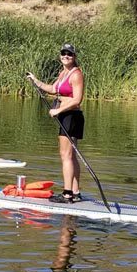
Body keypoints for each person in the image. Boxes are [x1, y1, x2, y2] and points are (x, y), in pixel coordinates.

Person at [27, 43, 84, 203]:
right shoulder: (63, 73)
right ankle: (75, 192)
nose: (66, 56)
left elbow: (77, 100)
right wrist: (36, 81)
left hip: (71, 116)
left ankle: (67, 194)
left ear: (74, 57)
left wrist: (58, 111)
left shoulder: (76, 74)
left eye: (69, 54)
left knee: (66, 155)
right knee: (71, 156)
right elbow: (53, 89)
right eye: (63, 53)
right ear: (60, 55)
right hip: (66, 116)